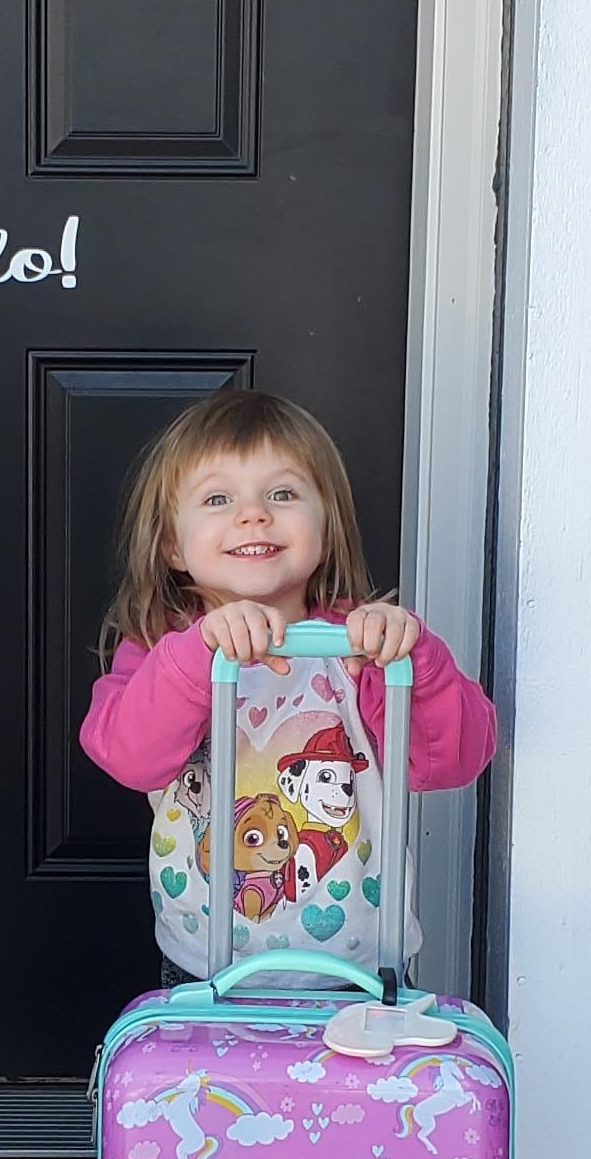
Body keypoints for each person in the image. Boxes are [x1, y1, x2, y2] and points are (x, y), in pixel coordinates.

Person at [78, 387, 495, 981]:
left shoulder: (362, 646)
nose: (254, 514)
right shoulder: (161, 650)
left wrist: (414, 660)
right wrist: (199, 653)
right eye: (218, 498)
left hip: (362, 970)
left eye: (282, 494)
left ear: (325, 528)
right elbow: (127, 755)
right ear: (173, 544)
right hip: (207, 965)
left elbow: (452, 760)